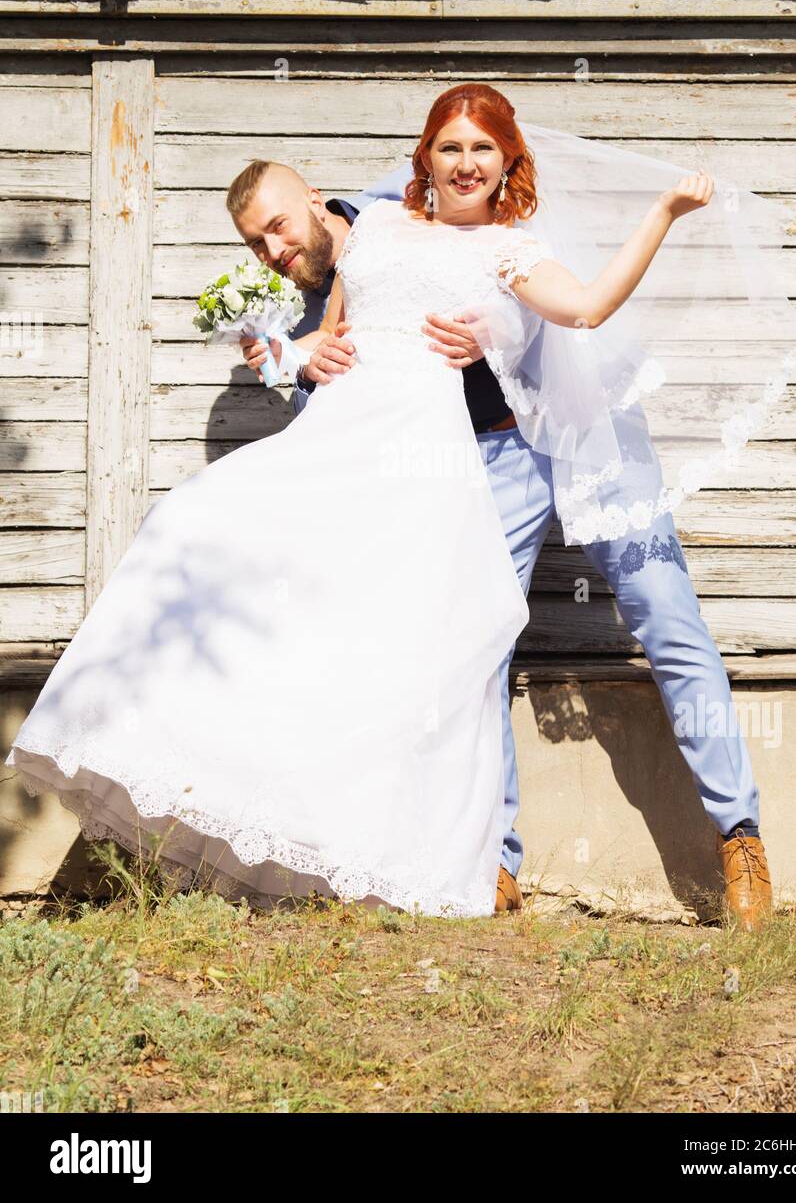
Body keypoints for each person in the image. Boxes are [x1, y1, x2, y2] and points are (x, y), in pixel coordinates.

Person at [4, 84, 755, 921]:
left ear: (506, 159)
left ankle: (742, 841)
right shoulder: (377, 235)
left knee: (669, 618)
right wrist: (294, 358)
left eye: (281, 230)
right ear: (422, 157)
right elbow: (350, 354)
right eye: (448, 149)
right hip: (487, 457)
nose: (273, 251)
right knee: (470, 646)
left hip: (588, 436)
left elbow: (578, 310)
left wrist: (649, 220)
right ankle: (486, 865)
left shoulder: (488, 237)